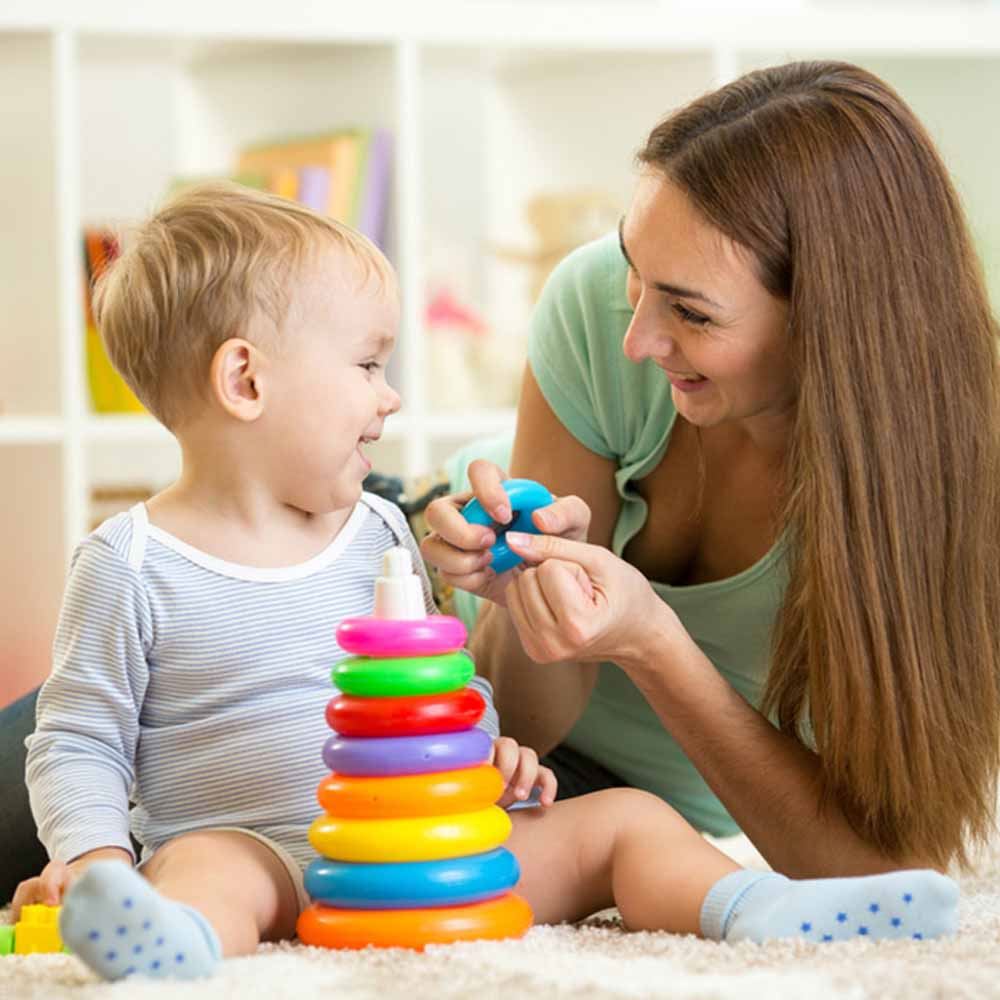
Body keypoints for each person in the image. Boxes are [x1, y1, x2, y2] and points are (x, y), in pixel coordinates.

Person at [10, 183, 958, 982]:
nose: (390, 397)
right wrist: (91, 862)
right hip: (260, 851)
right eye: (369, 364)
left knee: (626, 822)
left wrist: (485, 758)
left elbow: (435, 696)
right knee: (207, 871)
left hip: (421, 855)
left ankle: (764, 907)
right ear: (246, 382)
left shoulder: (378, 533)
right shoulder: (131, 563)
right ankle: (160, 941)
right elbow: (81, 739)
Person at [421, 59, 1000, 877]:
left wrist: (652, 641)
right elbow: (514, 723)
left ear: (829, 327)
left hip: (666, 809)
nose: (638, 339)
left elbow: (886, 869)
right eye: (635, 272)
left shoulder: (959, 471)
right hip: (471, 666)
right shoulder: (595, 307)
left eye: (691, 312)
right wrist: (524, 594)